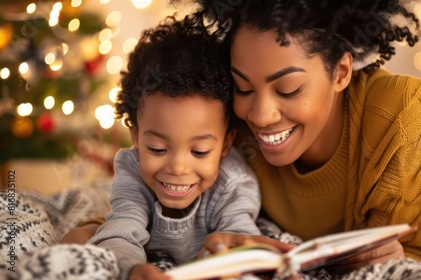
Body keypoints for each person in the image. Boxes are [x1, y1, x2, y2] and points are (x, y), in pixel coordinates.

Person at [195, 0, 421, 273]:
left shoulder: (403, 112)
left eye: (288, 89)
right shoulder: (231, 126)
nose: (259, 115)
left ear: (341, 73)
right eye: (243, 88)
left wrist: (401, 258)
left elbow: (416, 258)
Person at [61, 14, 272, 280]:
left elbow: (243, 239)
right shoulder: (133, 169)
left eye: (200, 152)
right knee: (76, 240)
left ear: (226, 143)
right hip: (136, 247)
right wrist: (133, 270)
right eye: (158, 149)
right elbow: (122, 232)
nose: (178, 167)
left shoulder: (233, 184)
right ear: (136, 137)